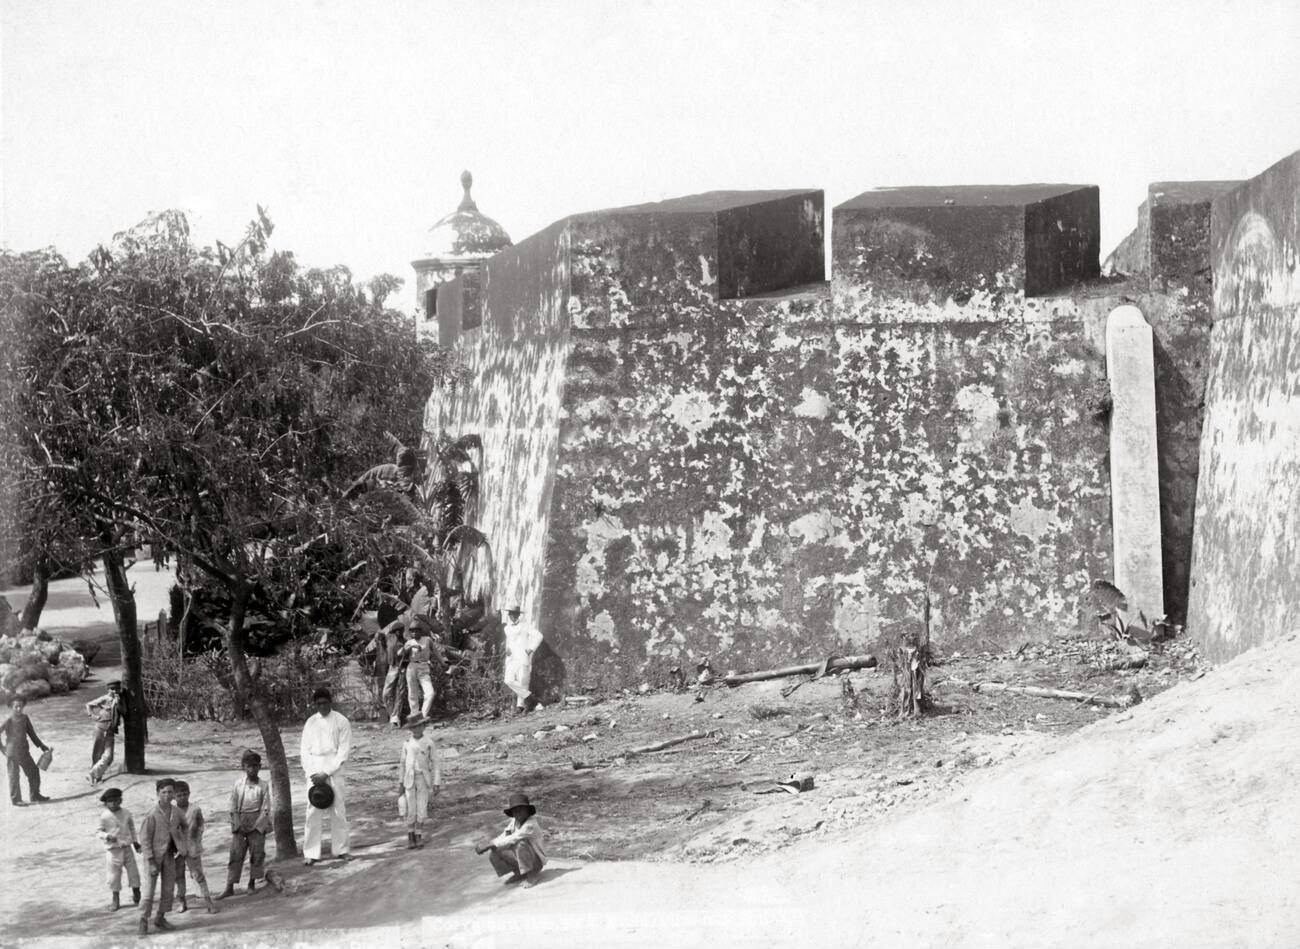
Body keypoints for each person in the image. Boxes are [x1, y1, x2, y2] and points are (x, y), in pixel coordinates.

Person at [218, 749, 284, 898]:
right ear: (243, 767)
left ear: (259, 767)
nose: (252, 769)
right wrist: (237, 823)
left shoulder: (263, 785)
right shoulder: (238, 785)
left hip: (257, 822)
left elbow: (266, 808)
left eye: (255, 766)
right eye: (248, 766)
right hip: (240, 821)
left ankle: (252, 883)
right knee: (235, 853)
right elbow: (233, 805)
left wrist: (256, 826)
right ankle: (229, 886)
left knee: (257, 854)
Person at [300, 687, 352, 865]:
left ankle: (341, 849)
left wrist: (327, 772)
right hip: (314, 767)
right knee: (313, 811)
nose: (321, 706)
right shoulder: (310, 722)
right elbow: (304, 751)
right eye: (318, 703)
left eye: (324, 703)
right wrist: (312, 773)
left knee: (338, 809)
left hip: (334, 767)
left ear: (330, 702)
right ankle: (311, 853)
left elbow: (343, 752)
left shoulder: (341, 721)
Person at [138, 778, 188, 934]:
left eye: (170, 792)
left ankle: (160, 917)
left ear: (174, 794)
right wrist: (151, 861)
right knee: (148, 891)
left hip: (169, 856)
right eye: (163, 792)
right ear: (158, 794)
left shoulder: (177, 812)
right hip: (153, 857)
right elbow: (145, 839)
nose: (167, 795)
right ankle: (143, 920)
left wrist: (179, 844)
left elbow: (185, 827)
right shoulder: (152, 814)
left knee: (168, 889)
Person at [475, 792, 547, 887]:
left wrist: (491, 844)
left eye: (521, 810)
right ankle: (519, 873)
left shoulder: (530, 824)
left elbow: (514, 837)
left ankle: (532, 875)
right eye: (515, 811)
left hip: (535, 861)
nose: (518, 813)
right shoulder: (514, 822)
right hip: (523, 857)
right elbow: (505, 835)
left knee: (520, 844)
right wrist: (491, 843)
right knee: (495, 851)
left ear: (527, 811)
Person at [397, 715, 442, 850]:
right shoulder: (407, 743)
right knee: (411, 808)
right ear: (410, 729)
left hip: (423, 779)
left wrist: (436, 782)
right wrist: (400, 783)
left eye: (419, 726)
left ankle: (419, 835)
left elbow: (436, 763)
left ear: (424, 726)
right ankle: (410, 835)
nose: (416, 729)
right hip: (409, 779)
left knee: (421, 808)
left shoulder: (429, 743)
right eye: (413, 727)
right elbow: (402, 764)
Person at [172, 780, 217, 914]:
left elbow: (201, 826)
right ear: (174, 796)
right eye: (179, 795)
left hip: (192, 847)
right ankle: (182, 901)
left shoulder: (195, 809)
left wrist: (197, 839)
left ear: (189, 794)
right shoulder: (171, 811)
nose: (182, 798)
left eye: (185, 794)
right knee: (179, 876)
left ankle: (209, 902)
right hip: (177, 849)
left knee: (198, 875)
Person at [95, 787, 141, 912]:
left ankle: (137, 893)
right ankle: (115, 898)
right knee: (114, 875)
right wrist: (107, 836)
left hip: (127, 848)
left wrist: (135, 842)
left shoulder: (126, 813)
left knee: (133, 872)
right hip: (113, 850)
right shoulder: (105, 816)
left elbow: (131, 827)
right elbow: (98, 831)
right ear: (106, 803)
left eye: (116, 800)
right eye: (110, 801)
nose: (113, 803)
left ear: (120, 800)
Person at [1, 695, 52, 806]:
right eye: (16, 707)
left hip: (24, 751)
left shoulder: (25, 718)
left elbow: (32, 734)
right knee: (14, 775)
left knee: (33, 771)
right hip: (12, 752)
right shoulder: (8, 720)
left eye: (21, 706)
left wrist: (42, 746)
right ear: (11, 707)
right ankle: (16, 800)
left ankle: (35, 795)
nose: (19, 709)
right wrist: (2, 748)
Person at [502, 606, 544, 716]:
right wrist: (507, 650)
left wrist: (531, 649)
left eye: (515, 614)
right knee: (508, 680)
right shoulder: (507, 628)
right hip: (511, 659)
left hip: (522, 657)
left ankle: (520, 706)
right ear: (509, 615)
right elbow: (509, 642)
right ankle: (532, 699)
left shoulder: (525, 626)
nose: (513, 616)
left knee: (522, 681)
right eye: (511, 614)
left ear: (518, 615)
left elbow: (539, 636)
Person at [85, 681, 122, 785]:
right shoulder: (105, 699)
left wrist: (118, 703)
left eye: (117, 689)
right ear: (108, 690)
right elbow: (89, 705)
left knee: (109, 756)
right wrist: (93, 716)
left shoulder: (119, 700)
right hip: (100, 728)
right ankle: (97, 777)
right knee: (97, 753)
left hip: (110, 731)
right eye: (112, 689)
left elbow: (124, 711)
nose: (115, 691)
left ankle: (92, 773)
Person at [402, 624, 437, 720]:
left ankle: (423, 714)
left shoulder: (427, 640)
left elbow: (435, 652)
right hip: (412, 666)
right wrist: (409, 647)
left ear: (420, 632)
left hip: (424, 666)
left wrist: (443, 663)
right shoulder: (409, 642)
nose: (414, 633)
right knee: (412, 692)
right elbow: (402, 654)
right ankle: (415, 714)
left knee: (430, 693)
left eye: (416, 631)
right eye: (412, 631)